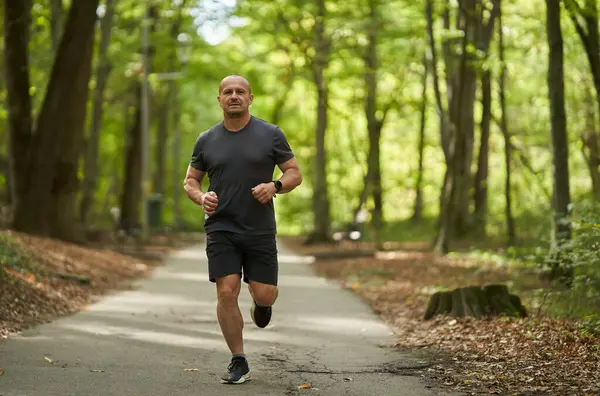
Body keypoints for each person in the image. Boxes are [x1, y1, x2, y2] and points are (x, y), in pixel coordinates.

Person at [183, 75, 302, 385]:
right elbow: (190, 180)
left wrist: (274, 186)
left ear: (250, 98)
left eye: (240, 92)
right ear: (219, 99)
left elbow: (294, 174)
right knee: (226, 291)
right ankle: (239, 360)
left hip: (259, 227)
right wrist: (201, 196)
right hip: (221, 226)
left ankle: (261, 304)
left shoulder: (271, 134)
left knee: (266, 294)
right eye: (227, 92)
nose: (233, 96)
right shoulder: (207, 139)